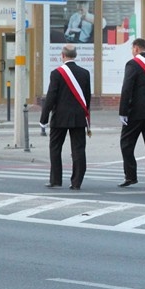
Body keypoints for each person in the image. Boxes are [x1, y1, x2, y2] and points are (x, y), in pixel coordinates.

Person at [40, 44, 92, 190]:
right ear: (75, 55)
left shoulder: (56, 73)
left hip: (60, 117)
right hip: (78, 117)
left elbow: (51, 97)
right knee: (78, 149)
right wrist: (86, 115)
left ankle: (55, 180)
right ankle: (77, 182)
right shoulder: (85, 73)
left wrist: (43, 118)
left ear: (62, 56)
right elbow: (87, 97)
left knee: (55, 148)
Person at [117, 38, 145, 189]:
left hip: (135, 112)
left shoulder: (132, 63)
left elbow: (127, 88)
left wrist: (122, 111)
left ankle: (130, 176)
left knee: (126, 144)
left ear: (136, 48)